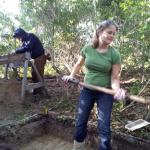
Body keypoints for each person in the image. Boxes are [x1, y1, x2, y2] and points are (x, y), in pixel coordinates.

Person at [63, 20, 126, 150]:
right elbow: (78, 64)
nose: (112, 36)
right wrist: (71, 76)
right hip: (87, 90)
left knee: (104, 126)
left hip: (105, 93)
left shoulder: (114, 54)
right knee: (80, 122)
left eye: (114, 34)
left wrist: (117, 90)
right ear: (100, 31)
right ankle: (78, 148)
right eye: (109, 32)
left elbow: (114, 77)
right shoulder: (88, 48)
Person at [13, 28, 49, 94]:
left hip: (40, 57)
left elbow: (28, 47)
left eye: (18, 36)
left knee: (39, 75)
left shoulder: (30, 36)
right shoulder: (24, 41)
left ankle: (41, 91)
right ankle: (36, 91)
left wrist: (16, 51)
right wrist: (16, 52)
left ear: (22, 34)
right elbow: (22, 49)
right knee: (34, 75)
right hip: (35, 59)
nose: (18, 38)